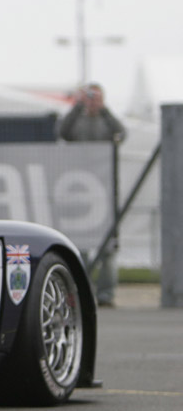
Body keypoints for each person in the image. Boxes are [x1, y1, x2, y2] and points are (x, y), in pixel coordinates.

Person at [59, 82, 124, 307]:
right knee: (81, 245)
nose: (92, 101)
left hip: (105, 189)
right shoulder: (78, 120)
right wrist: (78, 106)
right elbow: (63, 133)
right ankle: (82, 291)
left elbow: (121, 133)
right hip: (80, 189)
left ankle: (106, 294)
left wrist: (103, 110)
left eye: (95, 97)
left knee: (108, 246)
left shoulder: (106, 120)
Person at [58, 83, 126, 143]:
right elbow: (62, 133)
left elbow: (120, 134)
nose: (93, 102)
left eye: (97, 99)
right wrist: (78, 106)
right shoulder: (75, 121)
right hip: (79, 155)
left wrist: (105, 111)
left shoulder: (107, 121)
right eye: (90, 97)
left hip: (101, 155)